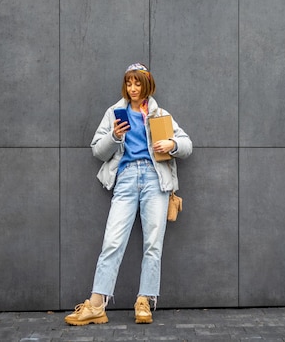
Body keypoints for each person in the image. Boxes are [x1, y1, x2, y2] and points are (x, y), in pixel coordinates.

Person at [65, 63, 192, 326]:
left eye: (137, 84)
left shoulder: (160, 114)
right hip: (125, 179)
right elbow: (98, 151)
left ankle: (144, 301)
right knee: (112, 241)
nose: (133, 89)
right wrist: (114, 136)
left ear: (147, 85)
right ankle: (97, 304)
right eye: (128, 84)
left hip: (155, 180)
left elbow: (187, 145)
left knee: (153, 244)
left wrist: (172, 144)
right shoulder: (114, 113)